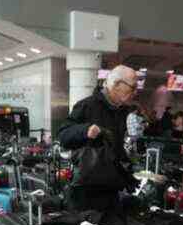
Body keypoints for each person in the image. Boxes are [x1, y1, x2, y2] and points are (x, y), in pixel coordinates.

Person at [58, 65, 138, 211]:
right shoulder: (87, 105)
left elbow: (117, 150)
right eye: (132, 87)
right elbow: (63, 135)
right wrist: (84, 130)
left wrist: (128, 177)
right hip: (86, 191)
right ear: (116, 84)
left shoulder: (123, 111)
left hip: (111, 189)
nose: (135, 92)